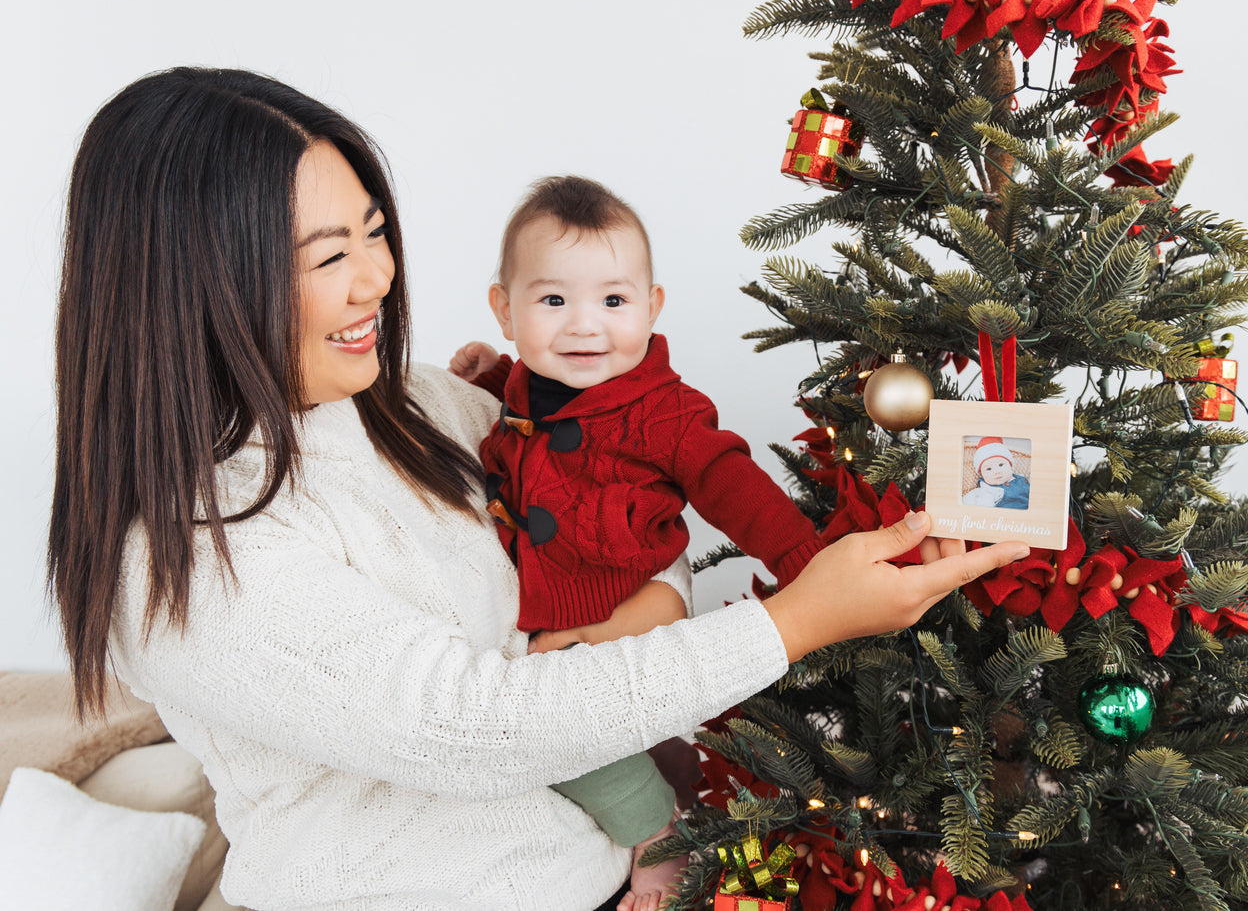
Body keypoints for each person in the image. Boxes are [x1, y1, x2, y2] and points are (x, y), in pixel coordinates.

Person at [46, 67, 1030, 911]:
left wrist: (659, 600)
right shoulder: (188, 549)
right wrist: (797, 620)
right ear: (199, 284)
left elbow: (625, 506)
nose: (375, 281)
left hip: (594, 875)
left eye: (375, 233)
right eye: (328, 257)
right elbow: (476, 728)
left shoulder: (424, 402)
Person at [446, 175, 829, 908]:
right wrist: (495, 378)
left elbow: (730, 482)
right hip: (547, 614)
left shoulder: (664, 413)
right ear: (505, 309)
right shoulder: (530, 385)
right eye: (553, 301)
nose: (585, 327)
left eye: (613, 302)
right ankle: (668, 776)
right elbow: (540, 437)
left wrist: (805, 565)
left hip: (621, 618)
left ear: (652, 308)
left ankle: (657, 831)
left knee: (557, 746)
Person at [961, 436, 1031, 510]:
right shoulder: (987, 490)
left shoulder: (1021, 479)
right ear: (981, 475)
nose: (997, 472)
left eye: (1001, 465)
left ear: (1010, 466)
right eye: (989, 469)